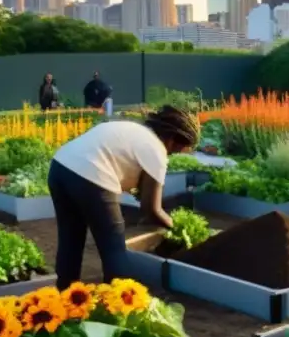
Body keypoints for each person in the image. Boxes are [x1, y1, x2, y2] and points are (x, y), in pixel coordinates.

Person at [47, 105, 200, 289]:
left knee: (70, 239)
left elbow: (141, 191)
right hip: (92, 175)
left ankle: (65, 297)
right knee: (114, 248)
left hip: (60, 168)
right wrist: (178, 228)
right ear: (173, 139)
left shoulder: (134, 131)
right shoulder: (157, 150)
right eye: (179, 148)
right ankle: (116, 305)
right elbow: (151, 210)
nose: (174, 153)